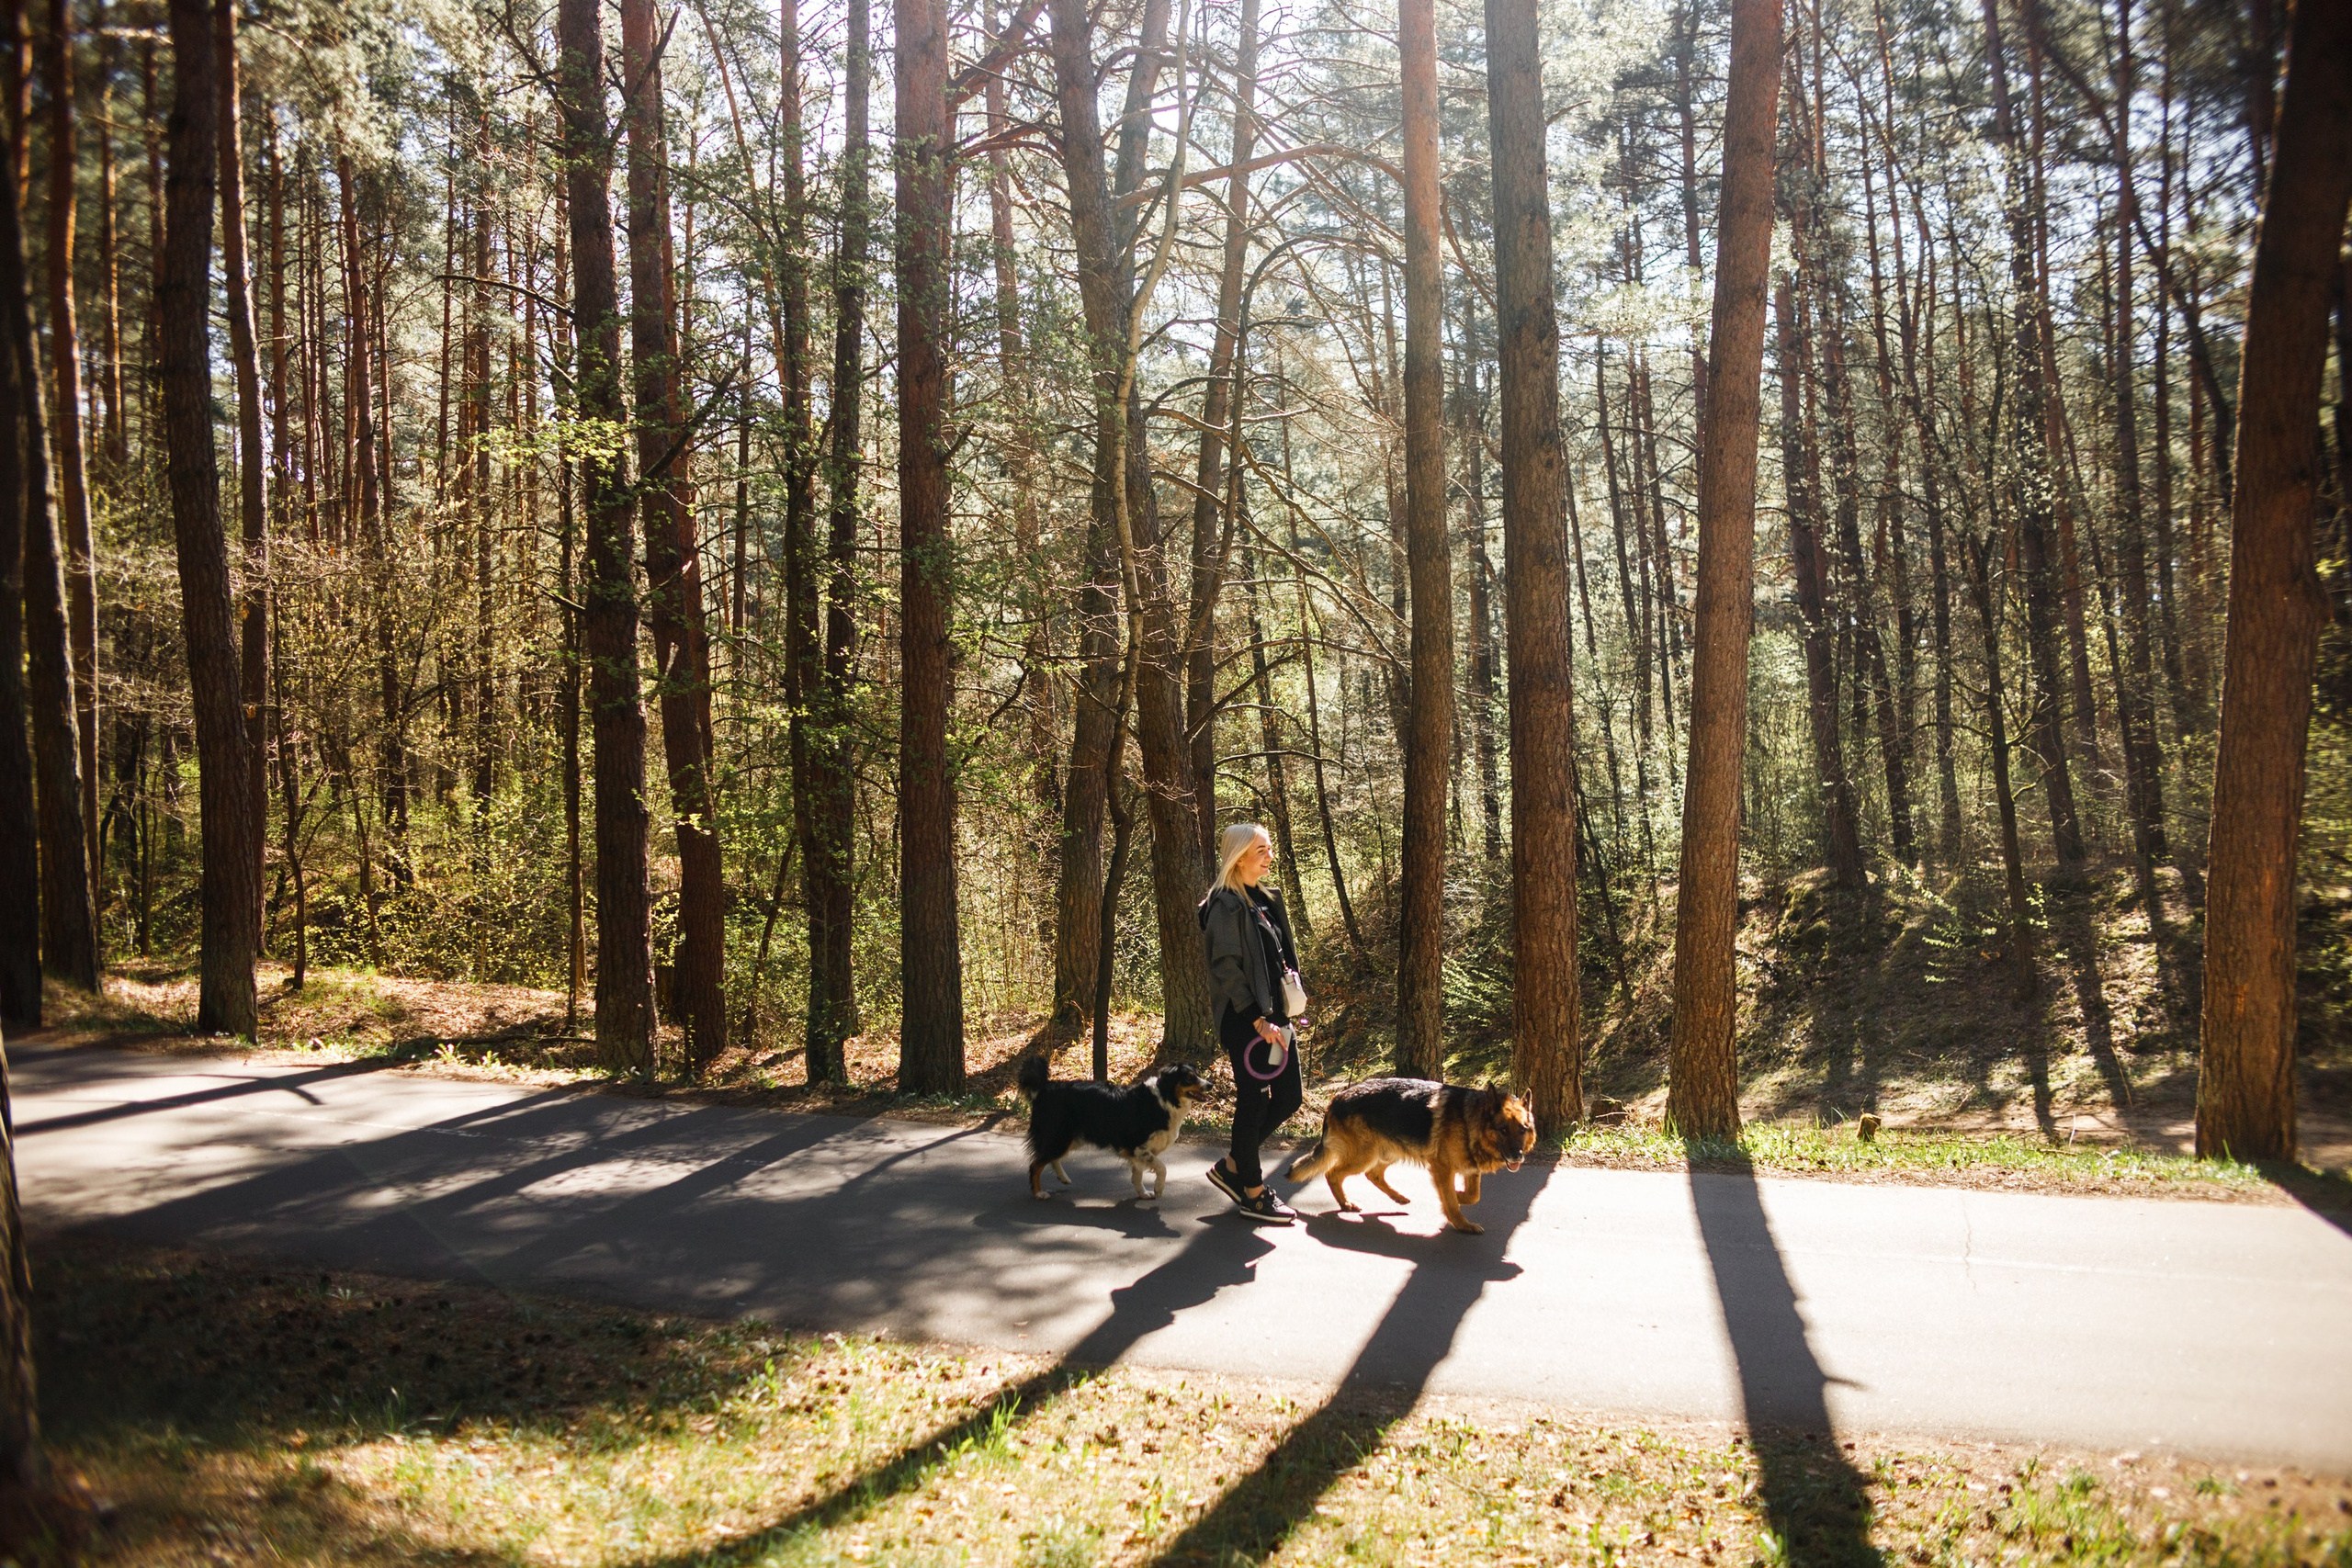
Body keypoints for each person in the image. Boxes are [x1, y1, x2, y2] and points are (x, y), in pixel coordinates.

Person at [1197, 823, 1305, 1224]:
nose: (1269, 856)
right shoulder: (1224, 904)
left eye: (1270, 849)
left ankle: (1233, 1166)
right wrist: (1256, 1019)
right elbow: (1226, 968)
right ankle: (1254, 1193)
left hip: (1276, 1019)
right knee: (1254, 1100)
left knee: (1289, 1096)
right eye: (1261, 850)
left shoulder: (1264, 899)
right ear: (1239, 855)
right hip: (1246, 1020)